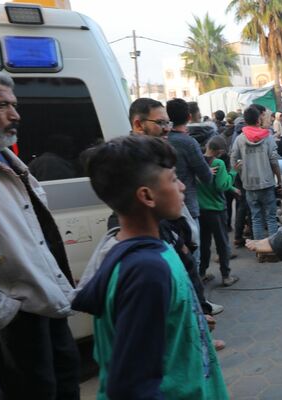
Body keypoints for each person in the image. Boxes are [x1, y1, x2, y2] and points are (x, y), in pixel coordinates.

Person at [73, 135, 229, 399]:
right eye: (172, 179)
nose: (181, 187)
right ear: (146, 196)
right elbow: (131, 387)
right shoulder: (146, 271)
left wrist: (190, 319)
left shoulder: (151, 248)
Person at [0, 65, 78, 399]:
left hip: (46, 306)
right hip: (15, 321)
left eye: (14, 105)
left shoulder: (6, 160)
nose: (15, 115)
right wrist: (4, 314)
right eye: (1, 106)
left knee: (64, 385)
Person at [231, 106, 282, 246]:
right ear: (259, 119)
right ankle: (272, 248)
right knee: (271, 218)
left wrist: (242, 173)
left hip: (249, 184)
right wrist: (279, 179)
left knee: (256, 218)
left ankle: (259, 250)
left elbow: (233, 159)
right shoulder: (267, 137)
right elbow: (274, 161)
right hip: (267, 182)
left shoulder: (240, 139)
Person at [198, 136, 237, 286]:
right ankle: (226, 276)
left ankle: (202, 272)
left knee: (204, 242)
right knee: (222, 243)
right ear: (219, 151)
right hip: (216, 209)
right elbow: (222, 185)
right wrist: (233, 172)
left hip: (201, 209)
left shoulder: (199, 162)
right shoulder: (218, 163)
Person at [166, 98, 213, 222]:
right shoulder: (188, 142)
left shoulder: (161, 139)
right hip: (187, 206)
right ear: (189, 117)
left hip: (164, 207)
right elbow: (206, 176)